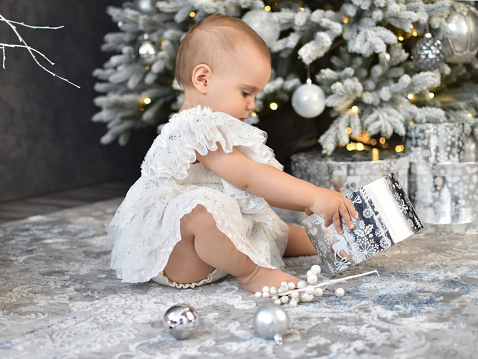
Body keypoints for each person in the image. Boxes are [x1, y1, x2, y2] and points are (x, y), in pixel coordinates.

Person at [109, 14, 358, 294]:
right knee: (201, 213)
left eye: (255, 95)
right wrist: (314, 194)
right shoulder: (195, 125)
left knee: (269, 225)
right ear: (203, 79)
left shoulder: (220, 128)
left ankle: (323, 241)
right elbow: (248, 177)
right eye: (245, 92)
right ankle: (252, 273)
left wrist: (303, 204)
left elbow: (257, 187)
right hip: (181, 253)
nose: (252, 105)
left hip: (220, 238)